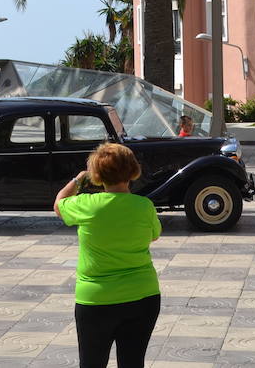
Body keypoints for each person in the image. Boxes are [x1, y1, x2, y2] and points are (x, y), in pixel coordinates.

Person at [55, 143, 162, 368]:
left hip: (96, 299)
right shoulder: (145, 206)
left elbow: (58, 204)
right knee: (133, 362)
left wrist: (78, 179)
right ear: (133, 170)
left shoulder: (86, 205)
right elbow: (153, 236)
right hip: (143, 295)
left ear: (97, 175)